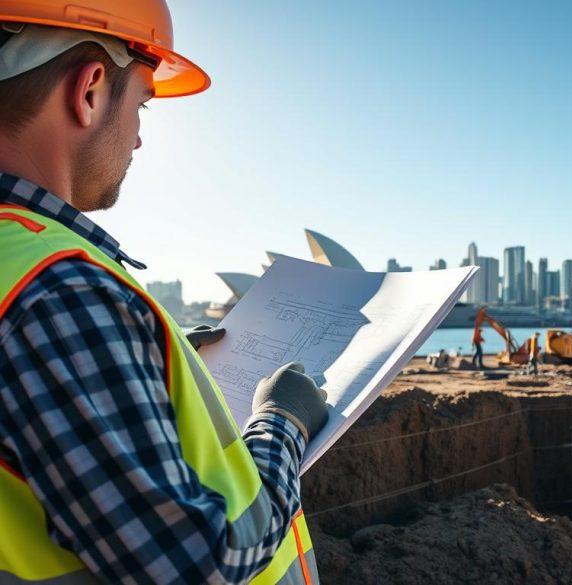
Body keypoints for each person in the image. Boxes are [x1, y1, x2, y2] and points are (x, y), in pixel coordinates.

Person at [0, 3, 327, 583]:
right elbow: (192, 562)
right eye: (142, 105)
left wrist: (138, 363)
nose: (141, 139)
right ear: (91, 90)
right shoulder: (61, 293)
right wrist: (282, 422)